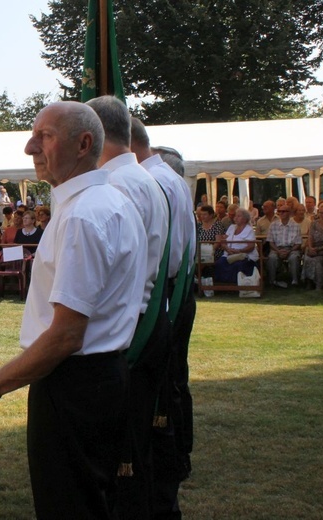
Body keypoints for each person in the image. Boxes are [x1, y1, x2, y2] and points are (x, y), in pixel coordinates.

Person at [0, 101, 147, 520]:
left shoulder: (85, 214)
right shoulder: (102, 203)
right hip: (99, 379)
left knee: (70, 507)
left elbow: (67, 334)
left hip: (75, 386)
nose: (30, 146)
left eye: (45, 136)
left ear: (84, 143)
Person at [87, 95, 170, 520]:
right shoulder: (145, 178)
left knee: (124, 452)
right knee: (134, 440)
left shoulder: (118, 185)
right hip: (146, 317)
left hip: (129, 327)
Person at [131, 117, 196, 520]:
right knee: (172, 384)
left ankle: (166, 462)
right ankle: (173, 456)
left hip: (164, 296)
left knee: (163, 391)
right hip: (177, 293)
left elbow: (161, 258)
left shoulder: (154, 181)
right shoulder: (168, 179)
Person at [214, 208, 259, 283]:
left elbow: (251, 246)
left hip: (243, 255)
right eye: (236, 216)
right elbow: (223, 240)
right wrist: (227, 248)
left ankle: (236, 284)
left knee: (237, 265)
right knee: (220, 263)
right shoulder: (231, 227)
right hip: (229, 254)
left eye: (239, 216)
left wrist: (239, 251)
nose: (236, 218)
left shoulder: (249, 229)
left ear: (245, 219)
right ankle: (223, 284)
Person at [266, 205, 302, 288]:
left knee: (294, 257)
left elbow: (298, 243)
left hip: (292, 249)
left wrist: (289, 251)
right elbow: (271, 242)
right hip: (276, 249)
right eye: (279, 211)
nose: (281, 213)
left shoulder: (296, 226)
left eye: (284, 211)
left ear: (289, 213)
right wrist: (278, 251)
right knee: (272, 257)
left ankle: (295, 281)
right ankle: (272, 281)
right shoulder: (273, 225)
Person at [301, 202, 323, 291]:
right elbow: (310, 237)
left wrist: (318, 249)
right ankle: (309, 283)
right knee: (307, 259)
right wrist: (311, 247)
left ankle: (319, 285)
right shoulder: (314, 224)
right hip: (313, 248)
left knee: (318, 260)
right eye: (321, 212)